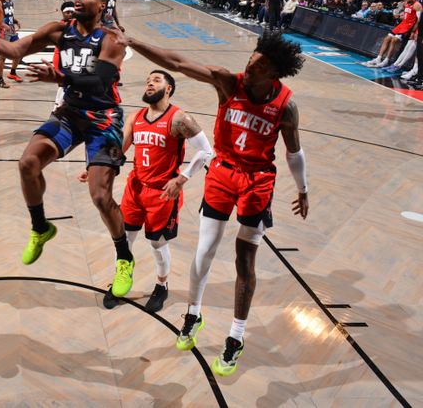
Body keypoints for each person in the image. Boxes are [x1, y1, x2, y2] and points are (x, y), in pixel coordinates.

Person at [111, 29, 309, 376]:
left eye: (259, 65)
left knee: (244, 258)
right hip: (222, 173)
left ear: (274, 73)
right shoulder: (227, 83)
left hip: (258, 179)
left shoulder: (286, 106)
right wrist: (135, 43)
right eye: (251, 57)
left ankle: (236, 336)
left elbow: (294, 151)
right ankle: (193, 314)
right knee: (204, 250)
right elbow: (178, 62)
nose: (249, 65)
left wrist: (302, 189)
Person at [0, 0, 135, 298]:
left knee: (100, 196)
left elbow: (100, 81)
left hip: (104, 118)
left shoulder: (112, 39)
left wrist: (62, 77)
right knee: (28, 162)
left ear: (102, 6)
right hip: (71, 112)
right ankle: (40, 227)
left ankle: (124, 258)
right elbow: (16, 50)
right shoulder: (59, 31)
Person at [86, 70, 213, 312]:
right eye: (147, 81)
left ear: (169, 89)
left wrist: (181, 178)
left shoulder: (180, 119)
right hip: (135, 189)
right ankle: (121, 280)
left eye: (156, 80)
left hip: (163, 193)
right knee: (123, 239)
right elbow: (119, 150)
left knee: (157, 245)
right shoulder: (136, 117)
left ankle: (161, 286)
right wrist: (97, 167)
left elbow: (206, 151)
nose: (149, 84)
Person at [363, 0, 422, 67]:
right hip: (402, 25)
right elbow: (407, 14)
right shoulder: (406, 3)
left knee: (394, 40)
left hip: (408, 27)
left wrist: (413, 31)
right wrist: (401, 15)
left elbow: (419, 20)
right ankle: (378, 58)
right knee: (387, 39)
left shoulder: (417, 5)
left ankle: (386, 61)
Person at [0, 0, 22, 88]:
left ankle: (12, 73)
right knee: (3, 56)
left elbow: (9, 16)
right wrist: (3, 25)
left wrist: (15, 20)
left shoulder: (10, 1)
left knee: (19, 52)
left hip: (11, 30)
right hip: (3, 31)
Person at [52, 1, 75, 110]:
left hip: (74, 58)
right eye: (67, 12)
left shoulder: (78, 24)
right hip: (62, 57)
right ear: (62, 13)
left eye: (72, 12)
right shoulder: (59, 26)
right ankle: (57, 108)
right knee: (62, 84)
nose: (70, 14)